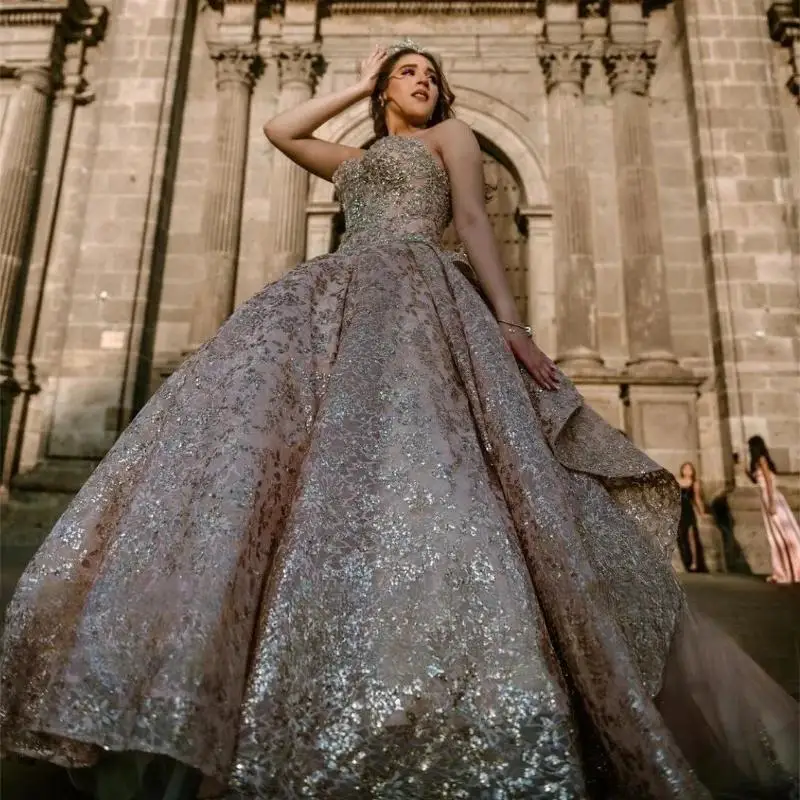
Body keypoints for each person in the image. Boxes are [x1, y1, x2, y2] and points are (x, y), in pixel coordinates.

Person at [0, 40, 797, 800]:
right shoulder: (354, 161)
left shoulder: (453, 135)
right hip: (336, 305)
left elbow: (478, 226)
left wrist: (513, 328)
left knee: (434, 455)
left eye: (429, 74)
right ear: (387, 86)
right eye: (407, 73)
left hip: (422, 299)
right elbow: (280, 130)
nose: (421, 81)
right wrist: (361, 82)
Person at [747, 435, 800, 584]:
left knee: (783, 534)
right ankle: (785, 570)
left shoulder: (761, 460)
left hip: (771, 498)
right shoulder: (759, 462)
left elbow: (769, 481)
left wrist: (771, 503)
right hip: (768, 498)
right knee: (776, 535)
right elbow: (759, 480)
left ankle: (790, 570)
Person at [677, 462, 708, 573]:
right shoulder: (677, 481)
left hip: (689, 511)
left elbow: (697, 498)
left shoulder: (695, 483)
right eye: (685, 468)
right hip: (679, 511)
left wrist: (702, 512)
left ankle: (695, 562)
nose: (687, 470)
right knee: (681, 537)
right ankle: (687, 561)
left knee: (692, 537)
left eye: (690, 469)